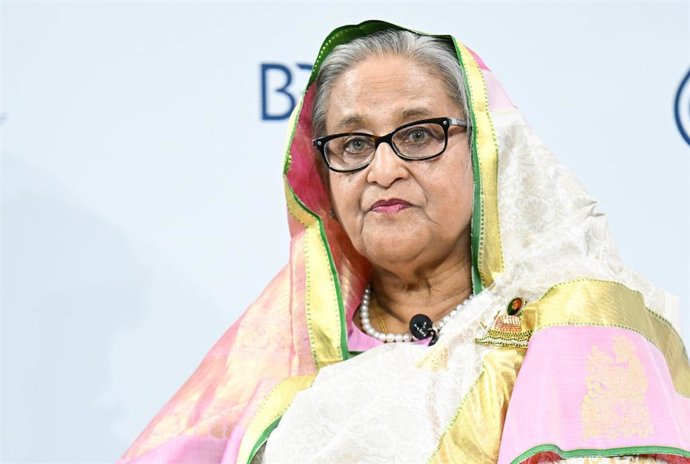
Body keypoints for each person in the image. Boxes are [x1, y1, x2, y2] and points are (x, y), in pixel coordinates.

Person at [119, 21, 690, 464]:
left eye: (418, 135)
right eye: (352, 144)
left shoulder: (575, 321)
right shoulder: (274, 367)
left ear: (486, 151)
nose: (383, 169)